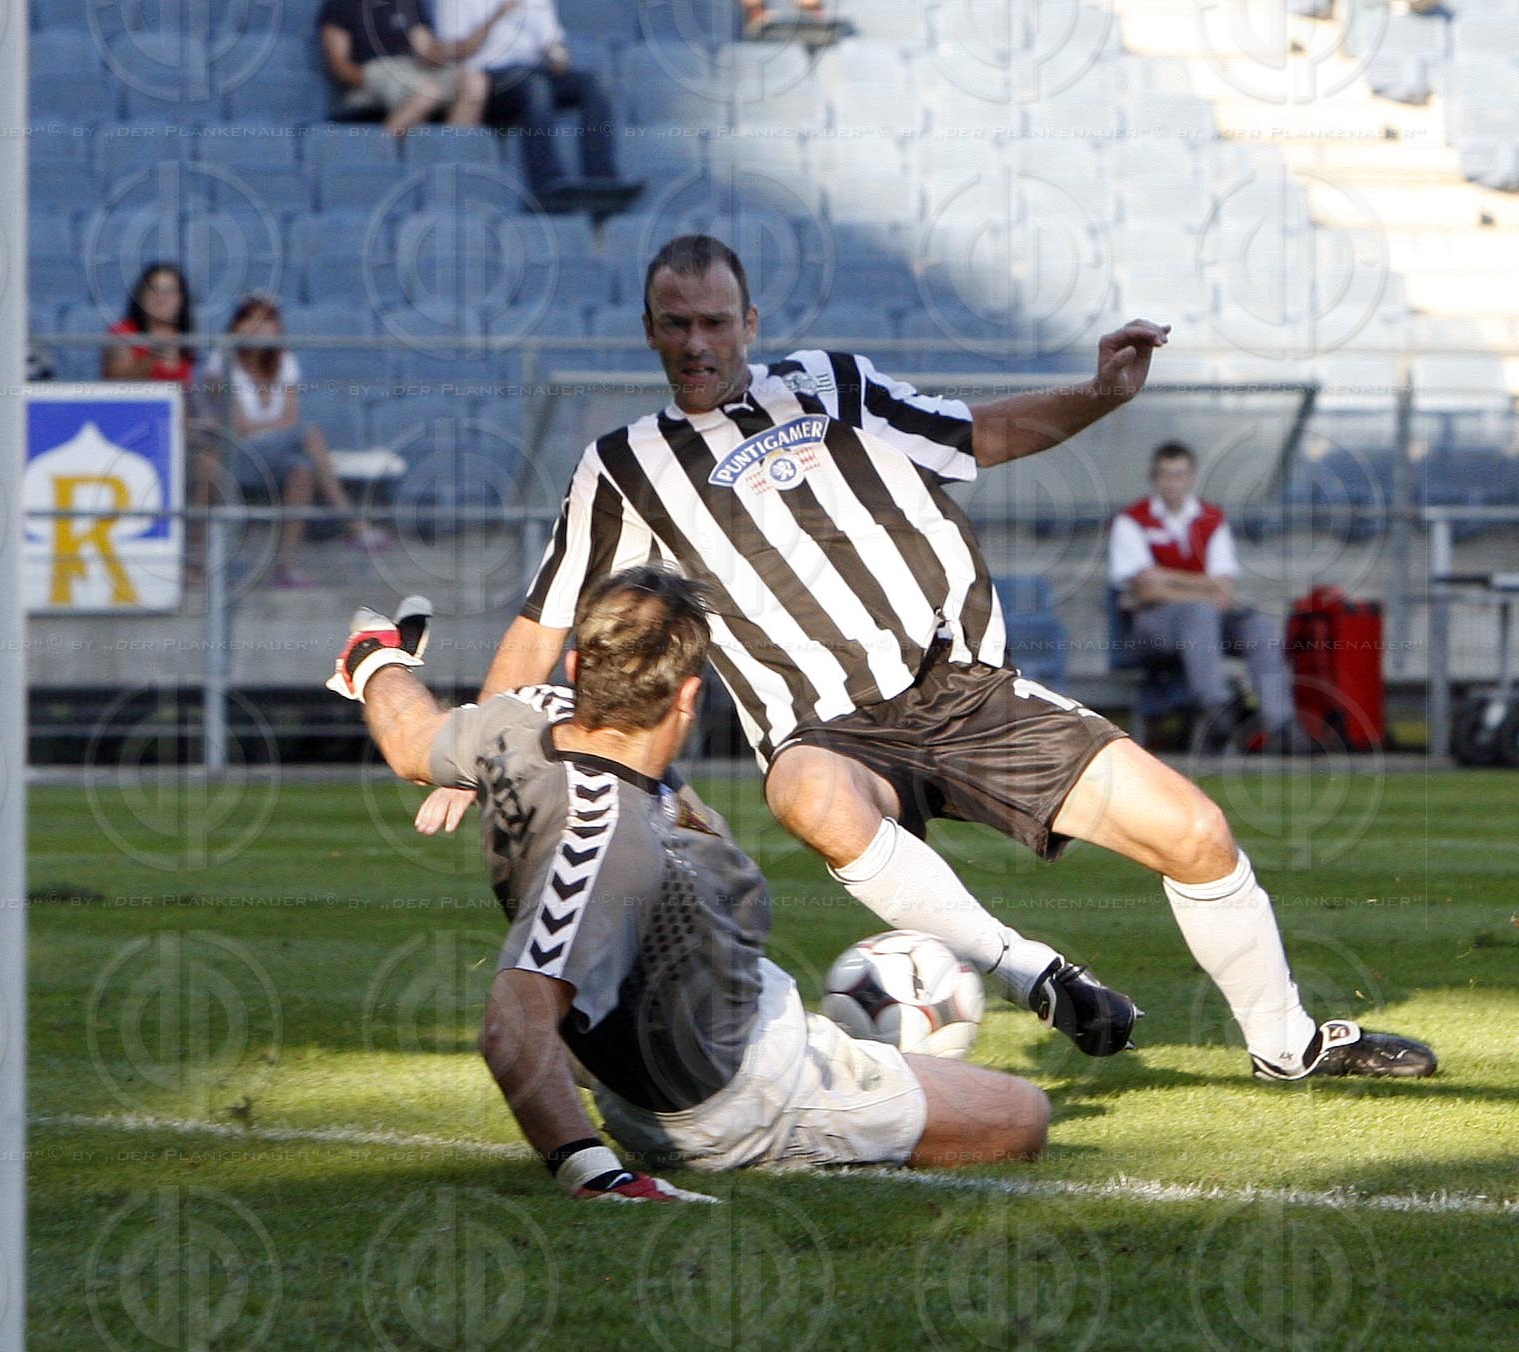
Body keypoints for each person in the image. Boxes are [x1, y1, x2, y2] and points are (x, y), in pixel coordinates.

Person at [419, 234, 1436, 1085]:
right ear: (650, 330)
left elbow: (981, 433)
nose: (696, 342)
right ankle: (1029, 968)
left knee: (1197, 829)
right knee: (808, 796)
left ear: (749, 324)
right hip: (822, 730)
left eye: (714, 321)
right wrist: (479, 747)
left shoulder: (832, 384)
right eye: (675, 323)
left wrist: (1099, 395)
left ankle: (1288, 1045)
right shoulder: (621, 464)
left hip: (961, 692)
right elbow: (545, 618)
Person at [330, 567, 1051, 1198]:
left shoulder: (525, 715)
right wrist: (592, 1171)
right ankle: (809, 1139)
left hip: (698, 1030)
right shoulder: (604, 841)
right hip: (734, 1095)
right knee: (1021, 1117)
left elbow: (410, 740)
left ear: (576, 666)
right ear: (689, 699)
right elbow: (512, 1026)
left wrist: (376, 661)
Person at [1109, 440, 1304, 753]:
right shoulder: (1131, 521)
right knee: (1199, 612)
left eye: (1179, 475)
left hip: (1205, 622)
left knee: (1259, 627)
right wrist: (1203, 586)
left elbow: (1225, 590)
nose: (1173, 483)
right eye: (1165, 475)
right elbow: (1144, 591)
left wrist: (1167, 576)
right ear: (1155, 479)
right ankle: (1216, 709)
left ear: (1191, 478)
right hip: (1151, 627)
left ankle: (1282, 724)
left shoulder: (1212, 519)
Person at [194, 295, 386, 588]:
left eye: (267, 321)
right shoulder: (223, 363)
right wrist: (275, 428)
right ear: (237, 326)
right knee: (309, 434)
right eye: (251, 320)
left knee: (302, 468)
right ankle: (352, 522)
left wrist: (273, 428)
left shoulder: (284, 362)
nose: (259, 328)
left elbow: (289, 418)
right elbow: (239, 425)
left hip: (273, 451)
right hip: (234, 454)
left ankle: (286, 566)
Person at [432, 0, 641, 205]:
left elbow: (553, 42)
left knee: (595, 84)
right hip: (485, 77)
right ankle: (547, 183)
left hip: (535, 70)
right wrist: (497, 15)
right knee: (536, 87)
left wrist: (558, 56)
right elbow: (454, 52)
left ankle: (602, 179)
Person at [317, 0, 513, 137]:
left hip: (414, 68)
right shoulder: (340, 4)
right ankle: (378, 156)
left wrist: (490, 22)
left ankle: (451, 159)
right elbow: (339, 66)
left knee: (475, 83)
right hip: (374, 70)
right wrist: (371, 79)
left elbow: (426, 49)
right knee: (427, 92)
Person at [103, 262, 195, 384]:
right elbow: (118, 382)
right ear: (141, 296)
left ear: (181, 299)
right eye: (154, 289)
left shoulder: (188, 337)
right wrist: (153, 357)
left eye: (170, 291)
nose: (162, 298)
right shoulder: (122, 333)